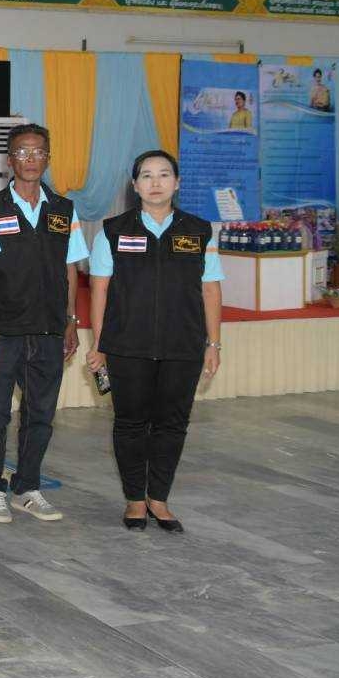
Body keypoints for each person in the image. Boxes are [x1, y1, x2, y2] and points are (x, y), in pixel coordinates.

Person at [87, 151, 223, 534]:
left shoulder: (200, 230)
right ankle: (135, 498)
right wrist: (99, 343)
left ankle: (159, 498)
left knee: (172, 424)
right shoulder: (113, 230)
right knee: (130, 423)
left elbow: (211, 289)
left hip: (183, 346)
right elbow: (99, 289)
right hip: (127, 345)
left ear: (177, 183)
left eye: (164, 174)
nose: (156, 182)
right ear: (135, 186)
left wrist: (213, 344)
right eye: (146, 176)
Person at [0, 125, 88, 525]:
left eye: (38, 152)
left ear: (48, 158)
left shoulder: (64, 209)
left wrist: (71, 321)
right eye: (22, 152)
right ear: (9, 160)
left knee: (40, 414)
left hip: (49, 330)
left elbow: (71, 268)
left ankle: (27, 487)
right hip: (3, 331)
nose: (30, 159)